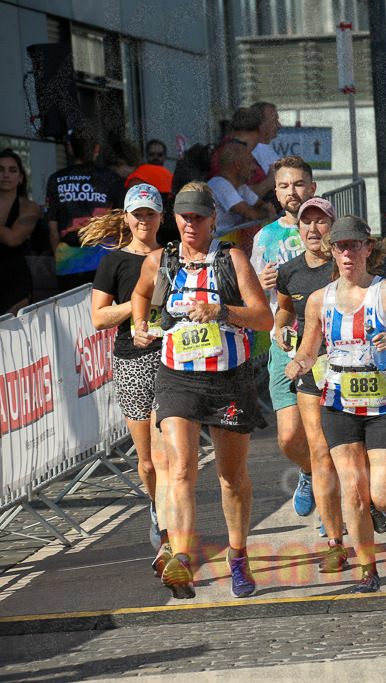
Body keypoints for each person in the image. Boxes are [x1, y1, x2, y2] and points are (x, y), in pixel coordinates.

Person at [131, 181, 273, 600]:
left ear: (214, 219)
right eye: (184, 217)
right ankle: (182, 557)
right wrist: (141, 326)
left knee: (232, 479)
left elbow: (263, 318)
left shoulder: (233, 261)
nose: (191, 224)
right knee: (180, 471)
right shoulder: (162, 261)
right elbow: (142, 294)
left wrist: (222, 310)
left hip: (228, 378)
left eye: (198, 217)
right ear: (174, 219)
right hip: (178, 377)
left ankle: (238, 558)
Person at [286, 216, 386, 593]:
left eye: (353, 245)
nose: (347, 253)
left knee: (382, 494)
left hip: (385, 402)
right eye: (339, 246)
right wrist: (297, 363)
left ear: (368, 248)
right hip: (338, 402)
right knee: (354, 491)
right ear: (331, 251)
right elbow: (309, 349)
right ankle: (369, 570)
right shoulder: (320, 300)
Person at [81, 183, 168, 554]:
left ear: (161, 217)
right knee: (147, 461)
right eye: (138, 214)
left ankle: (169, 526)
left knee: (168, 455)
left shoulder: (175, 256)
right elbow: (98, 318)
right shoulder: (114, 261)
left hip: (172, 358)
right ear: (127, 218)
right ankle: (155, 506)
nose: (144, 220)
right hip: (131, 361)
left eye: (151, 213)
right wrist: (138, 305)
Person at [274, 199, 347, 568]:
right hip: (311, 370)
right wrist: (282, 328)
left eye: (321, 222)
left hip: (355, 369)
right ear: (298, 229)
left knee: (350, 454)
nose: (314, 230)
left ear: (332, 227)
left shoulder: (345, 265)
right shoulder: (289, 271)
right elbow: (285, 309)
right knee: (319, 452)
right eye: (307, 223)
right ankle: (334, 535)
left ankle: (373, 506)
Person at [250, 156, 321, 523]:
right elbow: (256, 296)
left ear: (312, 187)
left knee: (324, 432)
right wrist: (259, 288)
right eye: (283, 186)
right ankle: (310, 473)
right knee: (290, 437)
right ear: (275, 192)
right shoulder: (265, 237)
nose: (291, 192)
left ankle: (331, 505)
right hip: (285, 344)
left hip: (329, 345)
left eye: (298, 184)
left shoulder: (330, 228)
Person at [46, 126, 126, 292]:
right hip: (104, 260)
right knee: (104, 313)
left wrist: (58, 258)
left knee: (70, 315)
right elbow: (121, 224)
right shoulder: (113, 178)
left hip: (67, 260)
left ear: (70, 148)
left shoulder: (56, 179)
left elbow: (52, 228)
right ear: (96, 149)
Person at [208, 140, 276, 254]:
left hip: (233, 247)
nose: (254, 168)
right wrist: (259, 214)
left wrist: (260, 213)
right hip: (216, 251)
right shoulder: (219, 184)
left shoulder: (241, 188)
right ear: (237, 165)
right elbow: (253, 214)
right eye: (250, 163)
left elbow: (263, 208)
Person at [0, 149, 41, 314]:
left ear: (21, 177)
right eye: (0, 169)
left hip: (15, 284)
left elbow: (13, 239)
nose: (6, 175)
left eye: (12, 170)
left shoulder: (29, 207)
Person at [251, 102, 282, 176]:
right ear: (259, 123)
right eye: (274, 121)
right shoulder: (254, 152)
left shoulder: (266, 149)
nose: (279, 125)